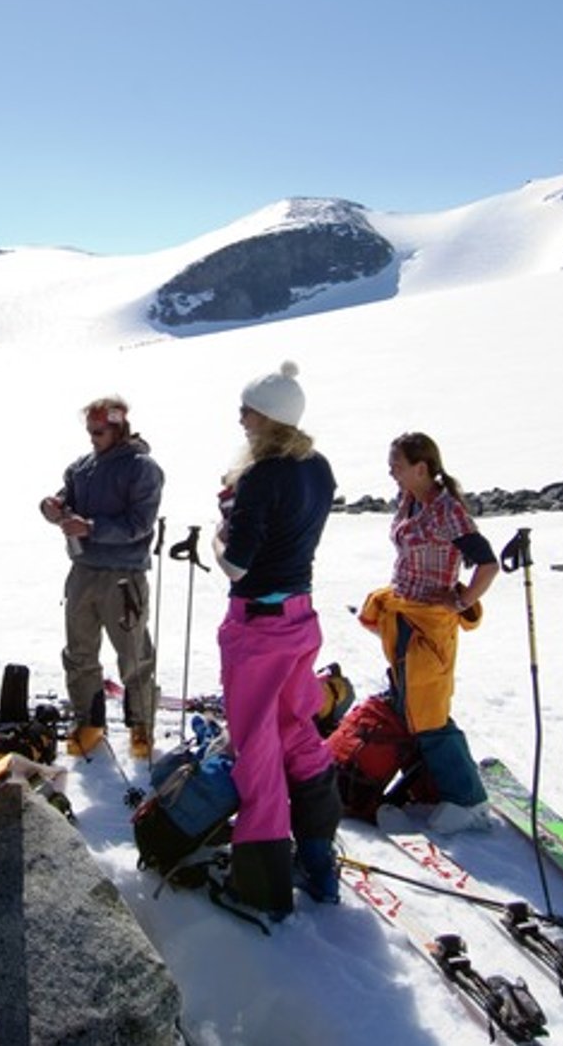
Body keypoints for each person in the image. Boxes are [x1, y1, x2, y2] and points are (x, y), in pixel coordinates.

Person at [210, 361, 344, 921]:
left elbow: (238, 565)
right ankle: (318, 856)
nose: (241, 418)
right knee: (297, 731)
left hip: (259, 626)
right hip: (300, 617)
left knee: (255, 746)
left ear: (270, 417)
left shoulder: (263, 475)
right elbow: (289, 531)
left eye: (249, 409)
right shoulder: (317, 467)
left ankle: (262, 882)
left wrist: (221, 534)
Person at [355, 431, 500, 818]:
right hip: (404, 613)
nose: (392, 474)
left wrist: (463, 600)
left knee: (429, 711)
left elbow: (487, 563)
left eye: (397, 467)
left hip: (430, 622)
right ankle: (428, 783)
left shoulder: (447, 511)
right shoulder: (411, 500)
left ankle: (466, 801)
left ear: (422, 468)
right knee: (408, 700)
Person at [38, 395, 164, 759]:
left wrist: (90, 527)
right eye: (90, 430)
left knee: (134, 655)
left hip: (124, 576)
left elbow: (140, 525)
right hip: (83, 571)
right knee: (79, 651)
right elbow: (63, 501)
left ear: (118, 426)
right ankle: (88, 723)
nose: (92, 437)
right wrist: (52, 508)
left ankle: (141, 726)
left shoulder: (142, 468)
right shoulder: (82, 468)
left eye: (98, 431)